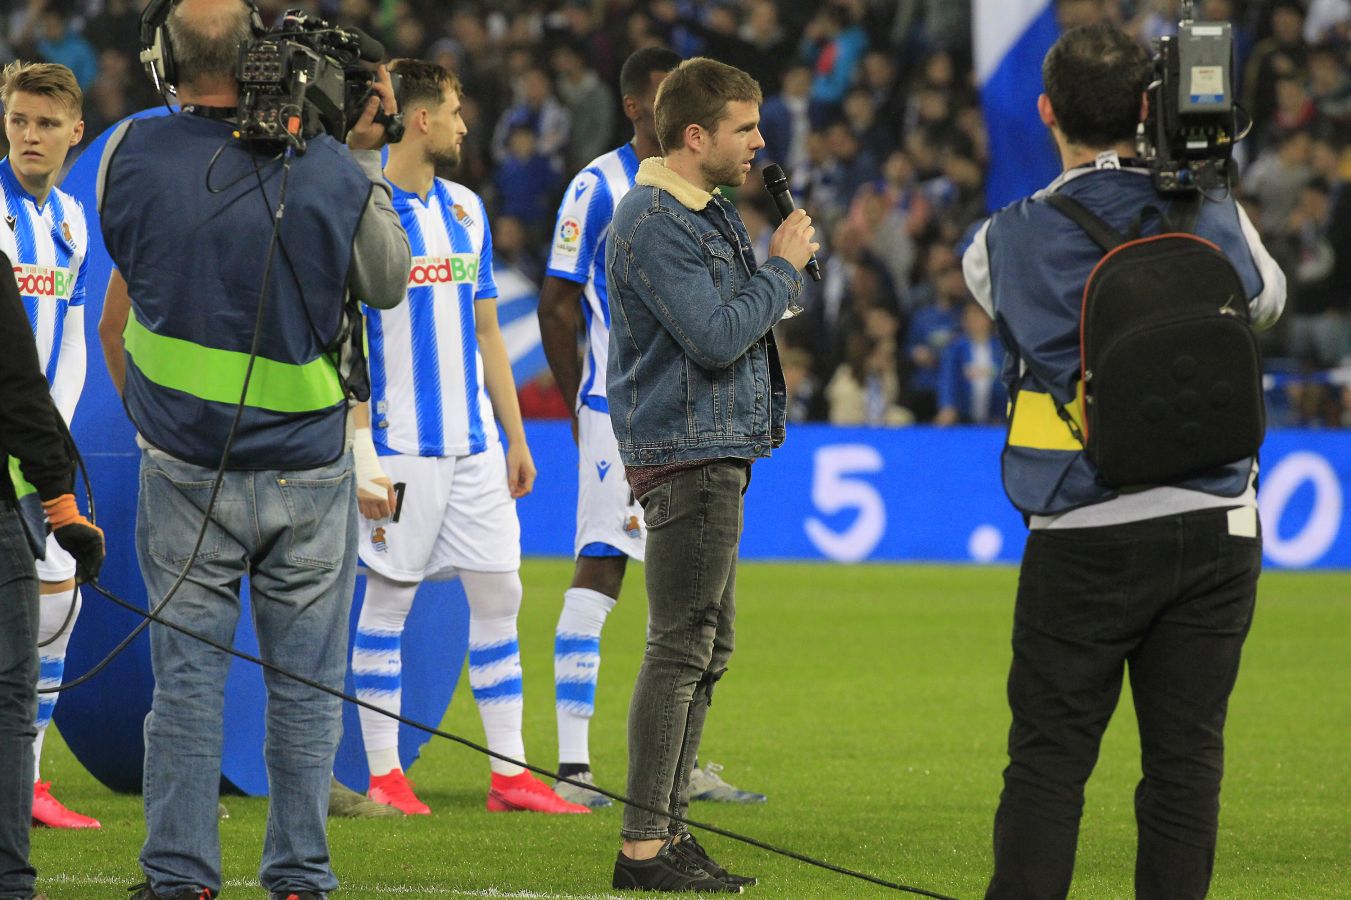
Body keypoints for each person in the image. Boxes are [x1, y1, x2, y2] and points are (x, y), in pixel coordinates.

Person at [961, 23, 1285, 900]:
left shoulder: (1004, 239)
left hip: (1082, 527)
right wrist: (1205, 192)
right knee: (1185, 768)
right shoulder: (1208, 207)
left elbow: (997, 298)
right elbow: (1266, 299)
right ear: (1150, 107)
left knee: (1048, 763)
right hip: (1217, 523)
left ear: (1044, 112)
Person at [95, 0, 411, 896]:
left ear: (164, 57)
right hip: (311, 468)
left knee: (187, 687)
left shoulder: (128, 154)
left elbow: (133, 256)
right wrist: (351, 157)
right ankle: (299, 877)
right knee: (307, 696)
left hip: (185, 466)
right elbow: (385, 285)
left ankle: (179, 876)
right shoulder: (329, 166)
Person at [348, 58, 587, 818]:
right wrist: (360, 448)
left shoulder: (465, 209)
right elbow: (341, 340)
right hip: (400, 443)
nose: (461, 125)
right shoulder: (361, 207)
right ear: (419, 119)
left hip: (475, 443)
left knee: (500, 592)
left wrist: (514, 437)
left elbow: (487, 329)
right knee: (387, 604)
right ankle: (385, 775)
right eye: (453, 111)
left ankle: (509, 774)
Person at [605, 57, 817, 892]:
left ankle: (666, 833)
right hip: (686, 452)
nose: (759, 142)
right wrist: (780, 267)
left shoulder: (704, 208)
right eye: (744, 129)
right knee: (679, 647)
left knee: (705, 645)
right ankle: (643, 848)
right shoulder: (653, 219)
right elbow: (715, 336)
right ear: (695, 136)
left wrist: (776, 270)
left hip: (714, 446)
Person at [539, 45, 767, 812]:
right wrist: (583, 406)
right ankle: (573, 764)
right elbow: (556, 302)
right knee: (604, 567)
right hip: (625, 413)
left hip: (693, 420)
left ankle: (678, 768)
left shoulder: (705, 201)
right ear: (647, 107)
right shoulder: (602, 188)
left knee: (699, 617)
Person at [0, 59, 99, 830]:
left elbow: (70, 345)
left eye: (45, 124)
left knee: (55, 617)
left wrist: (56, 443)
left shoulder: (71, 220)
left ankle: (27, 784)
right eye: (19, 121)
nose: (30, 136)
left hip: (44, 456)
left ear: (76, 132)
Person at [1, 253, 103, 900]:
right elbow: (18, 388)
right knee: (11, 695)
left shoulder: (67, 227)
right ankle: (9, 879)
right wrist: (62, 506)